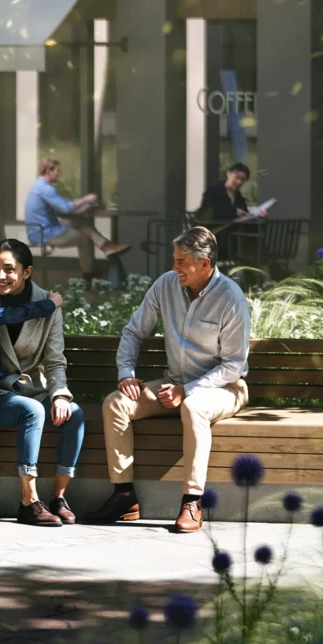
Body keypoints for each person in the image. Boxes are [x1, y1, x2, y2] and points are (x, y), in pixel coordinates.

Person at [89, 226, 251, 533]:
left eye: (181, 261)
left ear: (205, 264)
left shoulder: (230, 298)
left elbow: (233, 365)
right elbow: (133, 332)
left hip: (225, 388)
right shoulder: (166, 285)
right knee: (115, 404)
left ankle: (192, 502)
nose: (174, 267)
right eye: (174, 260)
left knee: (193, 407)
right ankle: (124, 497)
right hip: (173, 384)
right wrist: (126, 373)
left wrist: (186, 390)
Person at [0, 239, 89, 526]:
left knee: (75, 414)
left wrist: (60, 395)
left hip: (34, 387)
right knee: (31, 411)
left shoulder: (47, 304)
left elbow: (55, 359)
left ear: (26, 272)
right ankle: (29, 501)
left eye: (9, 269)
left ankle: (59, 497)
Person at [25, 156, 128, 279]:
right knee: (85, 238)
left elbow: (61, 211)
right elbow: (65, 208)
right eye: (57, 171)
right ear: (48, 171)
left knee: (78, 220)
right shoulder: (45, 189)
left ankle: (106, 247)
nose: (59, 174)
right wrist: (86, 199)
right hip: (44, 233)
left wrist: (83, 208)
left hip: (44, 229)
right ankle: (88, 274)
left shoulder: (38, 187)